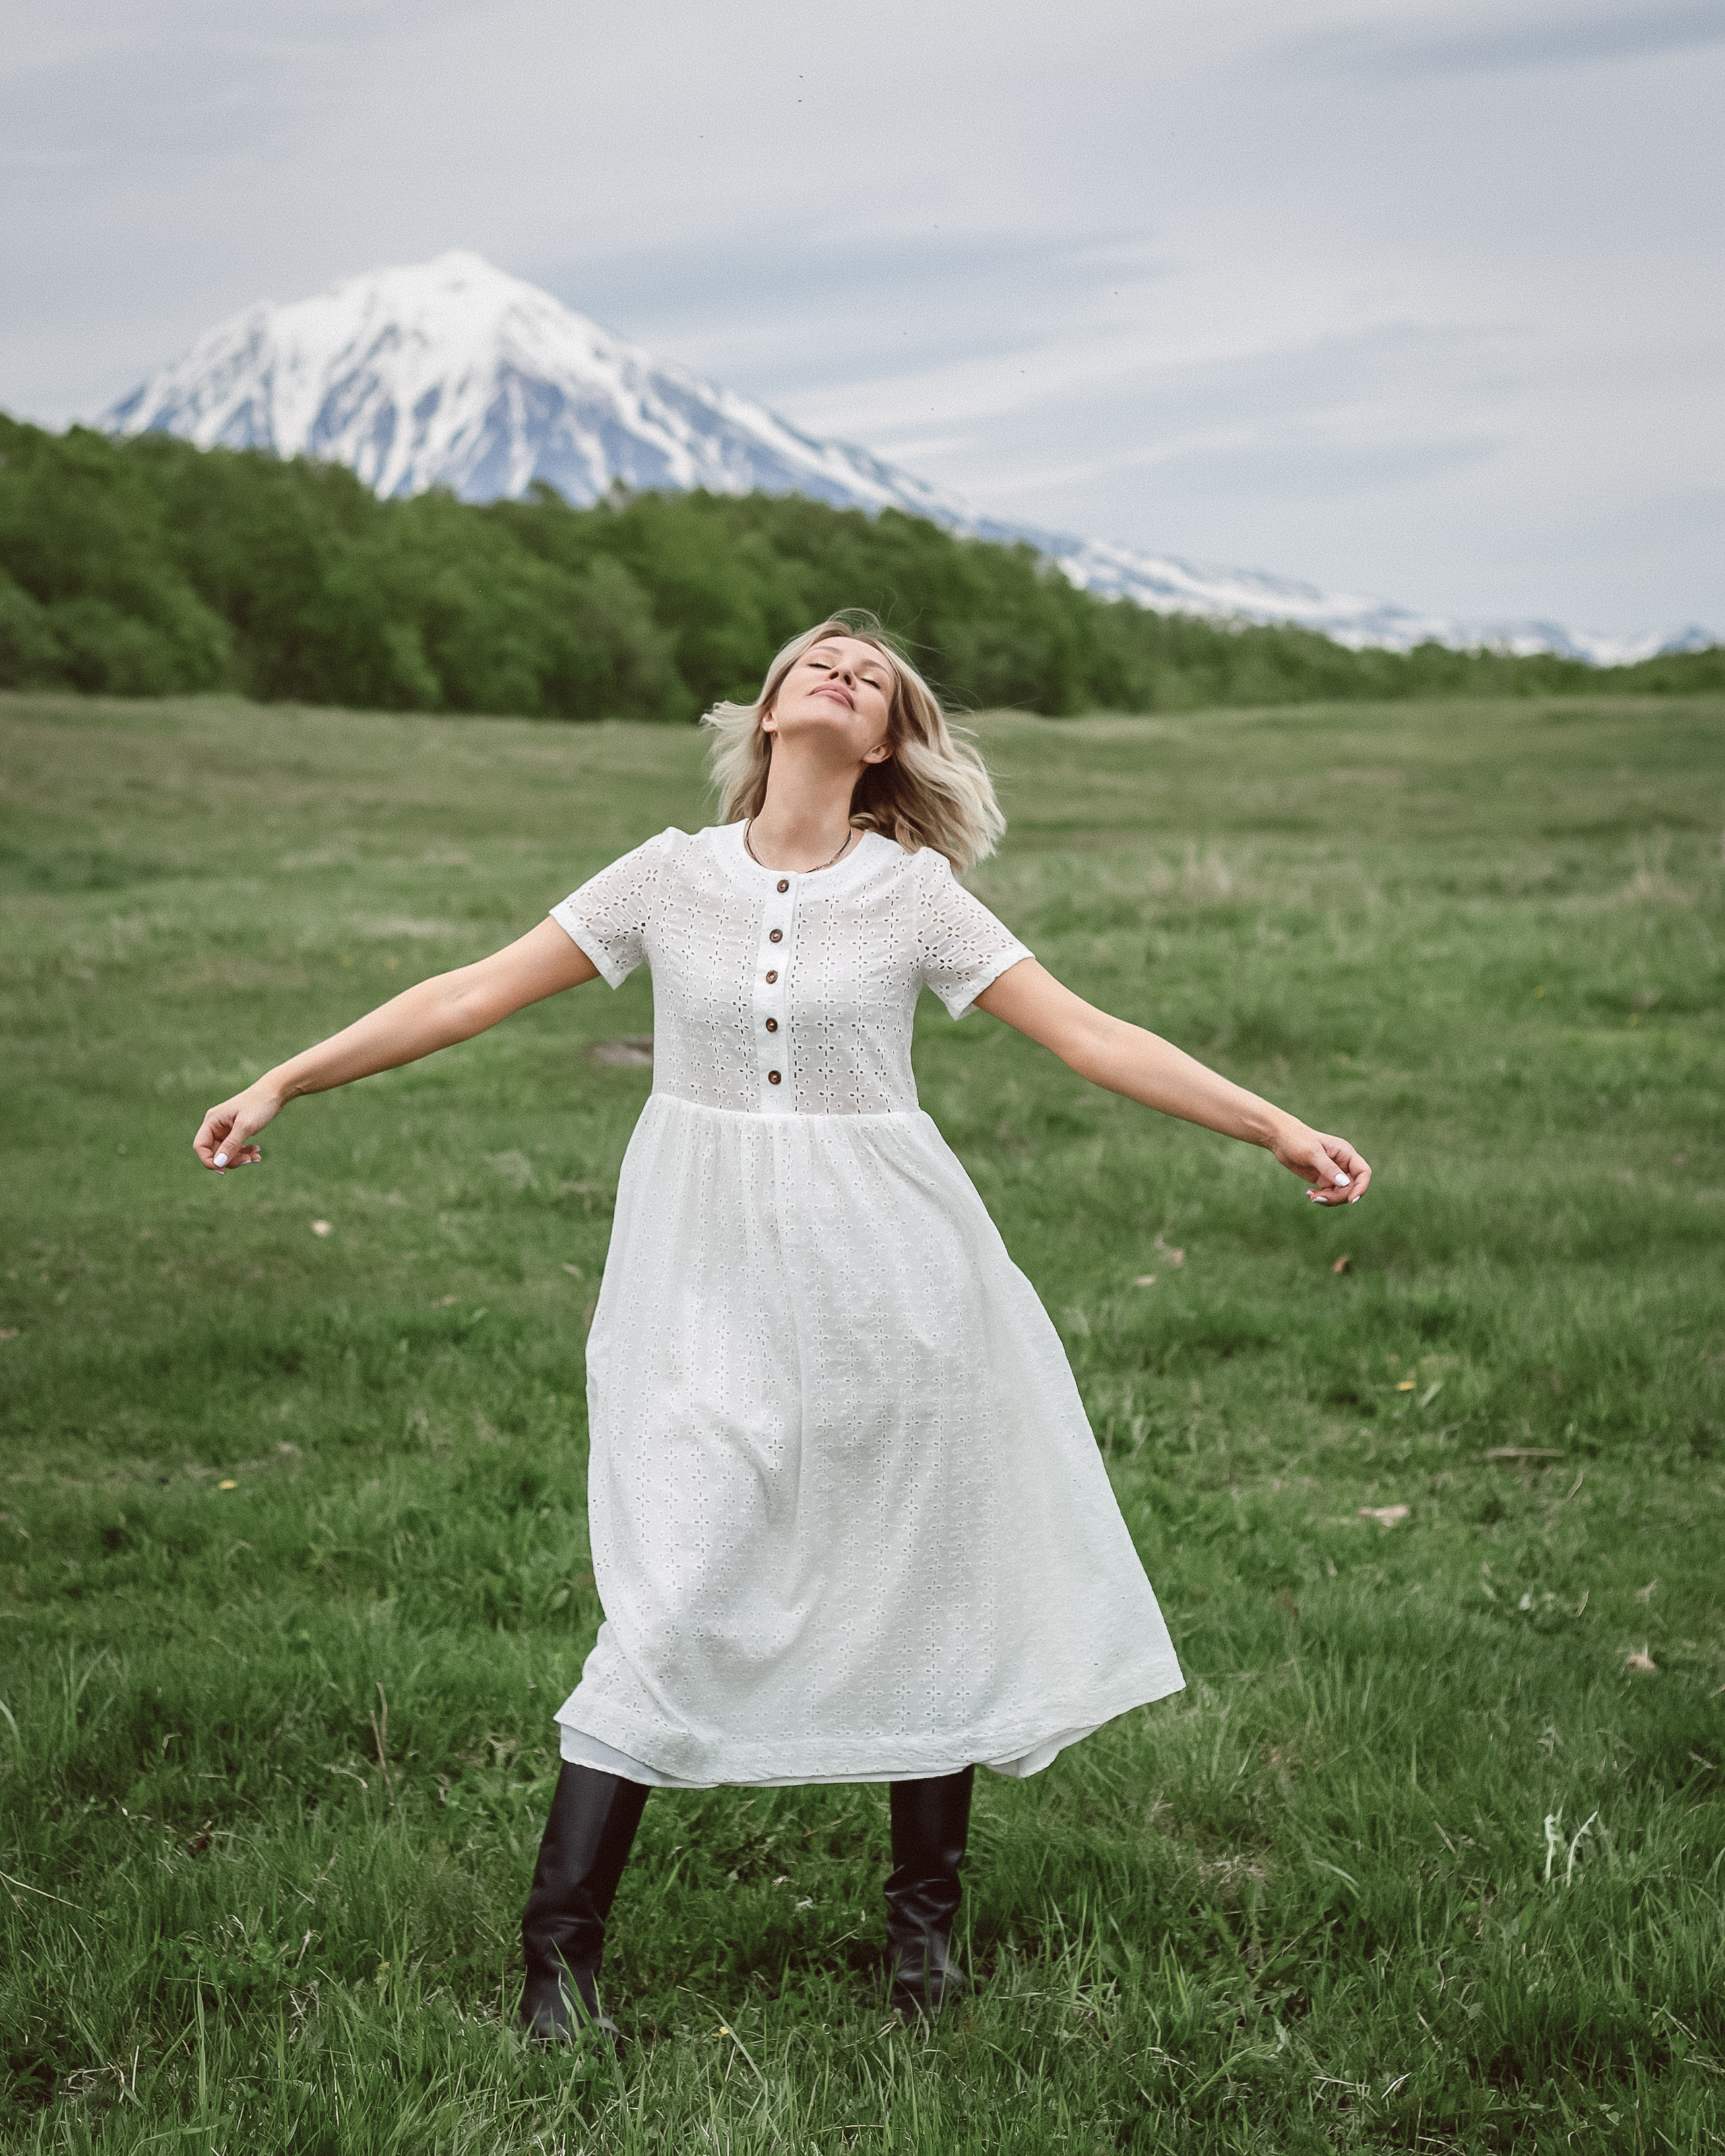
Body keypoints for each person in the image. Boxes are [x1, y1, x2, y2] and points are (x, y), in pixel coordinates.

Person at [194, 614, 1371, 2048]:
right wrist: (284, 1080)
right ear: (765, 711)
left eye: (870, 677)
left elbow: (1086, 1033)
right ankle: (554, 1966)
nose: (842, 674)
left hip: (893, 1275)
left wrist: (1273, 1124)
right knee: (674, 1578)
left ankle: (921, 1943)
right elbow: (468, 992)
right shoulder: (664, 880)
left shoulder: (914, 897)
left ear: (881, 741)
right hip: (699, 1280)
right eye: (818, 660)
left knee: (918, 1573)